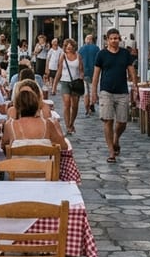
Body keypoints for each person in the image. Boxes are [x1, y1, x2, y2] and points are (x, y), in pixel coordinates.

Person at [89, 29, 137, 163]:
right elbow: (96, 75)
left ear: (119, 39)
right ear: (107, 40)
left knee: (122, 122)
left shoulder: (125, 54)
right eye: (112, 38)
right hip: (106, 91)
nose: (114, 40)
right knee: (107, 120)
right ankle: (111, 151)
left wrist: (135, 85)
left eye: (116, 38)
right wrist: (94, 93)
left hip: (122, 91)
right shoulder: (101, 54)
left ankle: (116, 138)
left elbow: (131, 70)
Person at [1, 79, 67, 152]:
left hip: (18, 163)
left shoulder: (10, 125)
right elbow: (63, 147)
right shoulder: (48, 124)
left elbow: (4, 147)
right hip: (44, 163)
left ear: (17, 105)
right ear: (37, 102)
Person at [52, 38, 84, 135]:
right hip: (65, 82)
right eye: (67, 47)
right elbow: (59, 71)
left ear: (74, 47)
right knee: (66, 104)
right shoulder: (63, 56)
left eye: (71, 47)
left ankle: (71, 123)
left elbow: (81, 70)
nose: (69, 49)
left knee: (74, 106)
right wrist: (54, 86)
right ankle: (67, 126)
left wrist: (81, 77)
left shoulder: (78, 56)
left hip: (76, 82)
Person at [78, 34, 101, 116]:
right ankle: (92, 104)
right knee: (92, 89)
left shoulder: (81, 49)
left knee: (85, 91)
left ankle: (87, 108)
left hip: (84, 72)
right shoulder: (96, 48)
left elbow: (79, 61)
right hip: (94, 72)